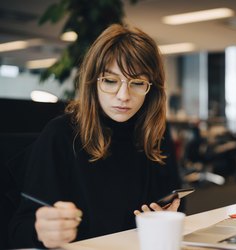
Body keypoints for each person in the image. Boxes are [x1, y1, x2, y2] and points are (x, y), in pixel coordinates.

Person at [8, 23, 182, 249]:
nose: (123, 96)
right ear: (93, 83)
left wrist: (165, 217)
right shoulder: (61, 135)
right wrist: (41, 232)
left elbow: (176, 202)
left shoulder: (156, 134)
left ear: (152, 88)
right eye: (110, 81)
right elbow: (17, 231)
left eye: (137, 83)